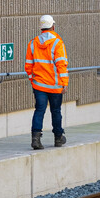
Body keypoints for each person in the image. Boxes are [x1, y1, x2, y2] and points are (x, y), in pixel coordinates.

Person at [25, 14, 70, 149]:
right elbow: (61, 64)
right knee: (56, 111)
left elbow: (28, 66)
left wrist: (33, 80)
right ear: (53, 26)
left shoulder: (33, 43)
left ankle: (35, 139)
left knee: (39, 110)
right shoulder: (57, 43)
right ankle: (58, 138)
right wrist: (64, 82)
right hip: (55, 85)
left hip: (39, 85)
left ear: (41, 28)